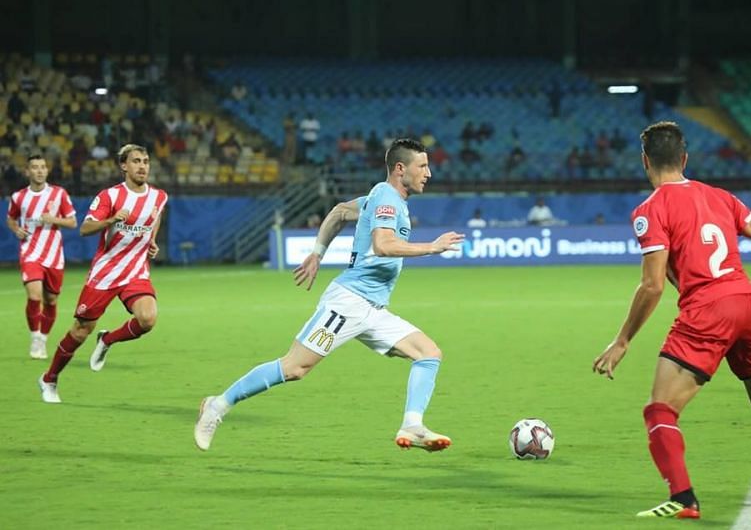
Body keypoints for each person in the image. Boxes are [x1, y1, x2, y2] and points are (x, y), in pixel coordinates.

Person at [194, 138, 464, 452]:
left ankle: (412, 425)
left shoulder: (381, 198)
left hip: (373, 309)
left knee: (428, 353)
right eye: (423, 166)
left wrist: (317, 254)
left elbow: (338, 212)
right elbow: (383, 245)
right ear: (400, 168)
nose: (429, 173)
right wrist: (432, 247)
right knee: (295, 367)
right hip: (348, 304)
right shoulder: (387, 198)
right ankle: (217, 405)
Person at [592, 121, 751, 519]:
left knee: (660, 411)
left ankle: (684, 498)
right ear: (685, 159)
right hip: (749, 303)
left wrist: (621, 341)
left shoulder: (650, 210)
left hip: (708, 311)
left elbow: (652, 286)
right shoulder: (719, 196)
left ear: (644, 162)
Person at [37, 144, 168, 404]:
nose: (142, 166)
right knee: (80, 331)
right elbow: (85, 228)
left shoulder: (159, 196)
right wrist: (111, 220)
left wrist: (151, 240)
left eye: (146, 161)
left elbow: (155, 216)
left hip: (135, 271)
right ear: (124, 166)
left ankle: (107, 340)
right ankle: (49, 378)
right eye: (136, 161)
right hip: (105, 273)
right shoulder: (110, 196)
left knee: (148, 319)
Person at [6, 154, 77, 359]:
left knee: (51, 300)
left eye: (42, 167)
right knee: (34, 295)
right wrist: (16, 229)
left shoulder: (59, 194)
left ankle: (43, 339)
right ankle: (35, 336)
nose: (39, 170)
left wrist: (53, 219)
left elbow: (72, 222)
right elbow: (11, 219)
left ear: (47, 170)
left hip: (54, 255)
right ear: (27, 171)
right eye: (35, 167)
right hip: (30, 251)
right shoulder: (19, 197)